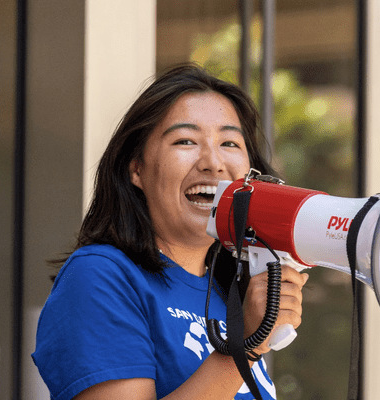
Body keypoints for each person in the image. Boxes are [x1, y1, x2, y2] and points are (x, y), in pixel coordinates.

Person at [32, 63, 307, 400]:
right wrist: (243, 346)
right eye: (186, 140)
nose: (213, 162)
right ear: (136, 168)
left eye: (230, 143)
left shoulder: (227, 296)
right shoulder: (100, 275)